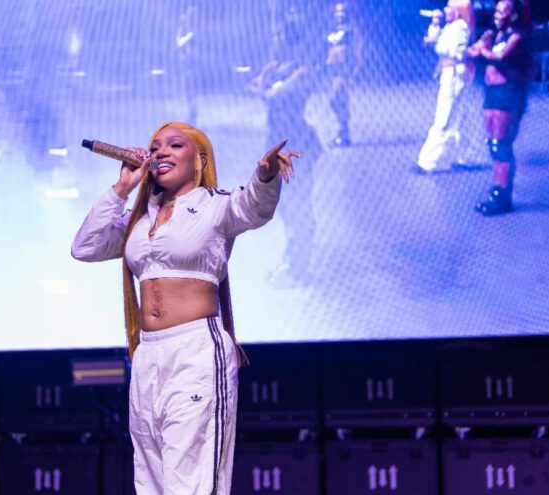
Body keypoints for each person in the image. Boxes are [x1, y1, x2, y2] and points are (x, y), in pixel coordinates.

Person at [71, 122, 298, 494]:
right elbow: (86, 247)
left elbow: (254, 207)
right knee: (152, 481)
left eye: (175, 145)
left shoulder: (214, 206)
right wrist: (123, 187)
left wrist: (265, 175)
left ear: (200, 160)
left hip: (195, 352)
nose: (161, 152)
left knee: (190, 481)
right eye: (155, 147)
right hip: (148, 356)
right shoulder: (139, 219)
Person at [247, 0, 321, 285]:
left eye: (279, 36)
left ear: (290, 40)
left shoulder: (301, 70)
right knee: (286, 206)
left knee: (299, 204)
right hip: (277, 144)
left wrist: (267, 87)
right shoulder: (278, 67)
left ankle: (301, 269)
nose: (274, 41)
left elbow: (273, 95)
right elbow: (257, 86)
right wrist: (267, 76)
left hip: (296, 143)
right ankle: (292, 260)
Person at [466, 0, 533, 215]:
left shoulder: (516, 37)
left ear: (513, 16)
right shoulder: (494, 35)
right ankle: (498, 188)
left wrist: (483, 50)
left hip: (508, 93)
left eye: (501, 12)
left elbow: (501, 56)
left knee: (501, 144)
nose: (496, 16)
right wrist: (480, 48)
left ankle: (503, 194)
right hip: (492, 92)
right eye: (496, 12)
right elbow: (472, 51)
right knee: (493, 144)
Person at [414, 0, 475, 174]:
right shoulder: (450, 26)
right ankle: (468, 157)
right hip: (449, 72)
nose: (446, 10)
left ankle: (428, 162)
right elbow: (438, 45)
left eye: (450, 8)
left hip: (454, 74)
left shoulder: (460, 27)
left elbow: (455, 52)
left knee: (444, 116)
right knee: (461, 116)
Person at [326, 1, 362, 147]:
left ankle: (344, 130)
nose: (340, 15)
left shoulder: (351, 30)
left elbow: (358, 49)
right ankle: (343, 132)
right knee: (338, 100)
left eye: (343, 12)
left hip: (344, 67)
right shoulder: (332, 29)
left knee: (335, 98)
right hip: (332, 68)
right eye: (337, 12)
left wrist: (356, 68)